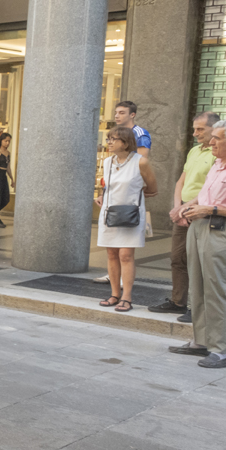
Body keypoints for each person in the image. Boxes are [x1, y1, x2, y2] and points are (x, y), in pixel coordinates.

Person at [170, 120, 226, 367]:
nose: (211, 141)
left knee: (217, 290)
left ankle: (222, 349)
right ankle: (202, 341)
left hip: (219, 230)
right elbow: (204, 193)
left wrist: (210, 208)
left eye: (217, 138)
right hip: (199, 226)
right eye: (212, 136)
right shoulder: (217, 164)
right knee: (198, 286)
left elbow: (213, 204)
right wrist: (188, 205)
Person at [150, 112, 219, 322]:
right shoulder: (194, 151)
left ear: (214, 129)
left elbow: (211, 188)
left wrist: (188, 207)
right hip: (184, 212)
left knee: (201, 263)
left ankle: (197, 308)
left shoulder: (219, 153)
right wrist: (177, 207)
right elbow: (181, 181)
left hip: (202, 212)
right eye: (194, 128)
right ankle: (178, 301)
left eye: (200, 129)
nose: (195, 133)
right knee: (178, 258)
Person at [95, 126, 158, 313]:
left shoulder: (141, 162)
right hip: (109, 213)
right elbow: (108, 186)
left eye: (114, 139)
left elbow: (153, 189)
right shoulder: (107, 162)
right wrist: (102, 196)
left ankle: (127, 297)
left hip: (130, 214)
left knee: (126, 255)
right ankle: (114, 294)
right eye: (109, 139)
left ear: (126, 142)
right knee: (112, 254)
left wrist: (132, 197)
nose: (110, 142)